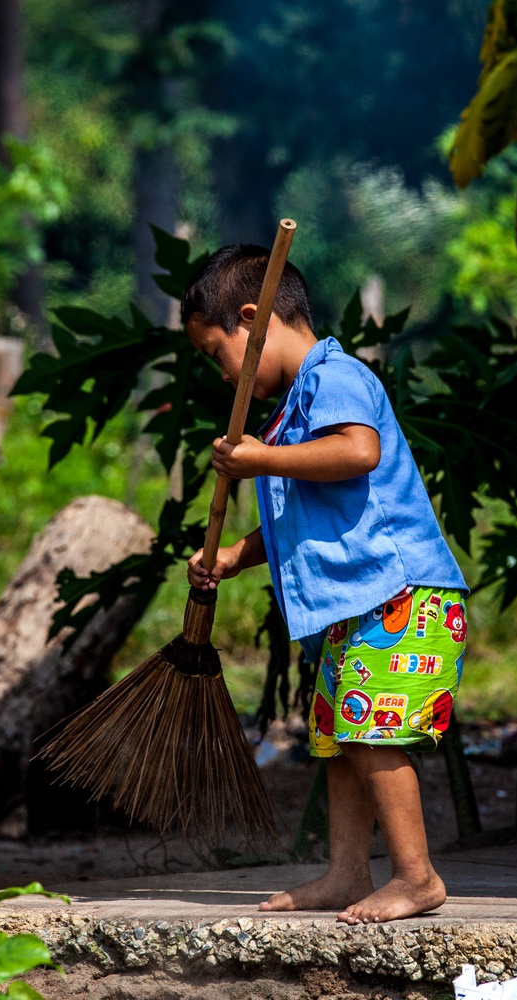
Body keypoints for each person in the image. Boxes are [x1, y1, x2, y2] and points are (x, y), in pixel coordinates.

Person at [182, 244, 470, 925]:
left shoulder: (336, 378)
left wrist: (260, 459)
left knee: (373, 734)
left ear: (251, 320)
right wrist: (232, 554)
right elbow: (300, 517)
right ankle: (346, 873)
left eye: (213, 352)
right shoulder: (290, 411)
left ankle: (416, 876)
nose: (219, 372)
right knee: (342, 739)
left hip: (400, 595)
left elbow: (356, 452)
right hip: (353, 604)